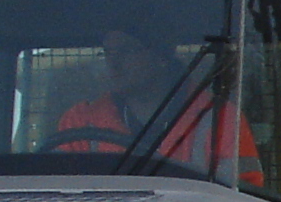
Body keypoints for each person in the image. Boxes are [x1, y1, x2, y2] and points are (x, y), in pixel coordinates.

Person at [45, 27, 261, 187]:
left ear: (161, 57)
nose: (114, 62)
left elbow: (242, 198)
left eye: (127, 51)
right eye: (108, 53)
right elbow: (57, 196)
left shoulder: (220, 119)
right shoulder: (80, 121)